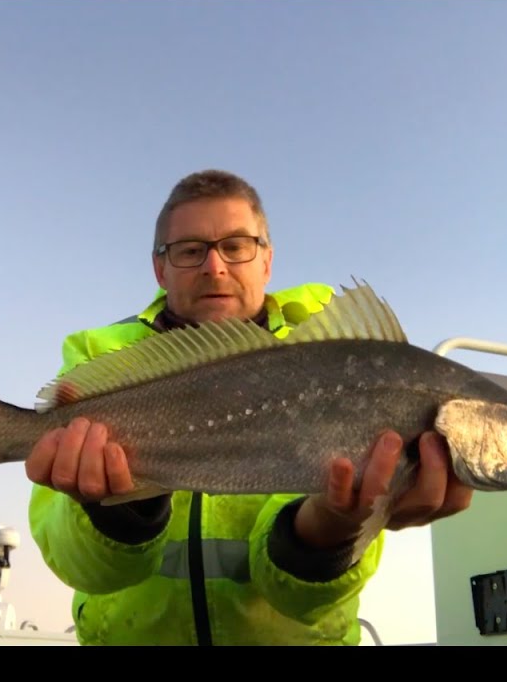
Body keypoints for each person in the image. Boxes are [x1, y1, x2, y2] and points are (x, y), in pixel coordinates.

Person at [25, 170, 473, 645]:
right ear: (160, 268)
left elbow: (305, 604)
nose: (214, 267)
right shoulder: (97, 357)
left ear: (267, 261)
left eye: (236, 245)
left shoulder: (344, 363)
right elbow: (83, 569)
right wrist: (118, 511)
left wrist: (331, 531)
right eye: (190, 250)